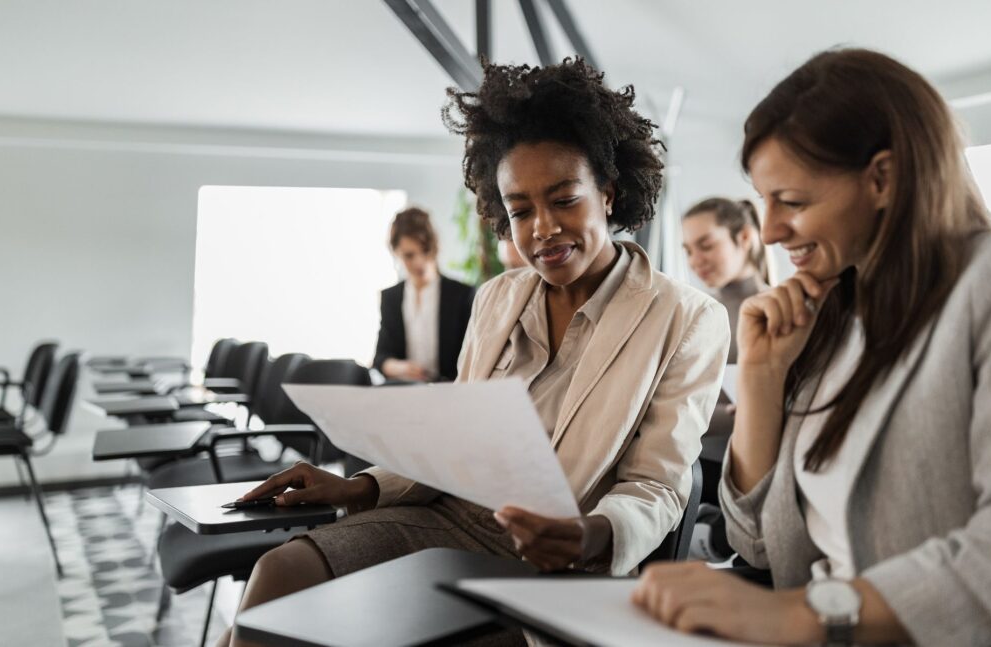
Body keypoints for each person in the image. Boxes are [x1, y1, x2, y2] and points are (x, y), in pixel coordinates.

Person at [216, 58, 729, 647]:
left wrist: (590, 533)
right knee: (279, 574)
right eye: (521, 211)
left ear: (608, 194)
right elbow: (451, 448)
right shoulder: (497, 299)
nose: (542, 228)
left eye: (564, 200)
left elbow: (659, 485)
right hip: (446, 518)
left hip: (555, 560)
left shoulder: (686, 318)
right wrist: (355, 486)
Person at [633, 48, 991, 647]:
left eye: (793, 201)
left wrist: (803, 616)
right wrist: (761, 376)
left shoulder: (988, 288)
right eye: (764, 200)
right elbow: (755, 542)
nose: (769, 231)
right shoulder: (832, 314)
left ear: (882, 179)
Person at [681, 198, 770, 502]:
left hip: (751, 476)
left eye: (706, 245)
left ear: (744, 237)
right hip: (693, 473)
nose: (695, 261)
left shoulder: (781, 309)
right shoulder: (693, 313)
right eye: (688, 251)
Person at [373, 207, 474, 382]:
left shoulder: (462, 295)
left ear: (434, 248)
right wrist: (400, 368)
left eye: (425, 251)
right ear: (396, 253)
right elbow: (381, 358)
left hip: (450, 391)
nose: (419, 262)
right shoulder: (391, 298)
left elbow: (472, 357)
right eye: (409, 256)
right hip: (405, 391)